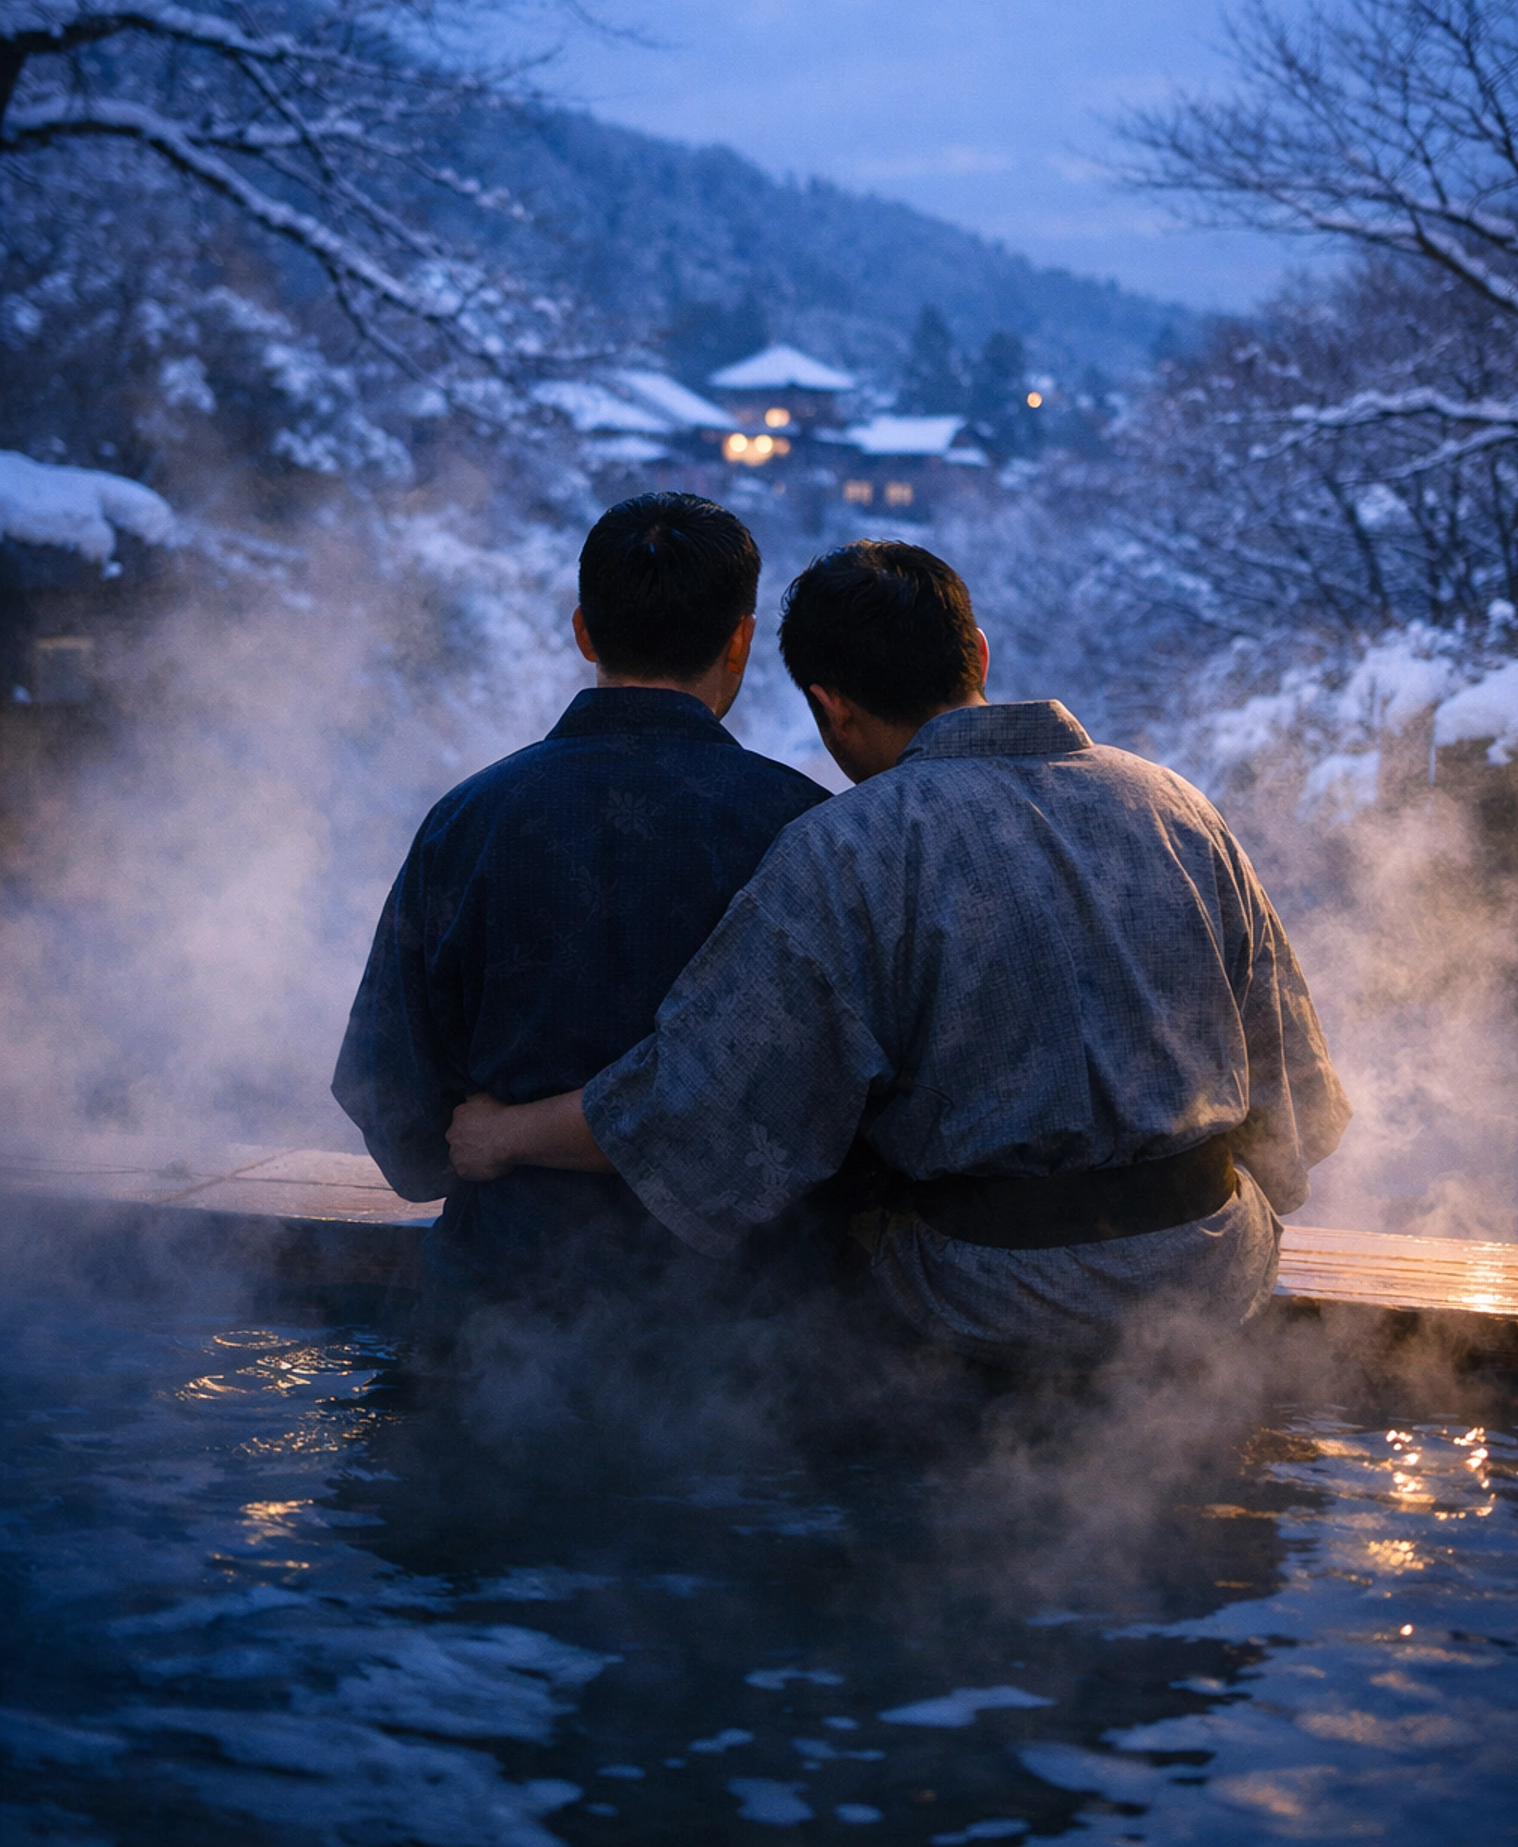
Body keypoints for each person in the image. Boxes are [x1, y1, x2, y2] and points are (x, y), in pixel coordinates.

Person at [446, 540, 1351, 1364]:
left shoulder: (849, 847)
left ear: (830, 709)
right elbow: (1290, 1097)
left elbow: (704, 1107)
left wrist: (500, 1136)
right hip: (1213, 1278)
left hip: (988, 1294)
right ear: (980, 655)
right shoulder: (1175, 807)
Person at [332, 492, 829, 1301]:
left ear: (583, 632)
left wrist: (480, 1143)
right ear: (741, 641)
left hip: (506, 1305)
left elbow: (388, 1093)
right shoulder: (802, 829)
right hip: (736, 1328)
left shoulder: (469, 820)